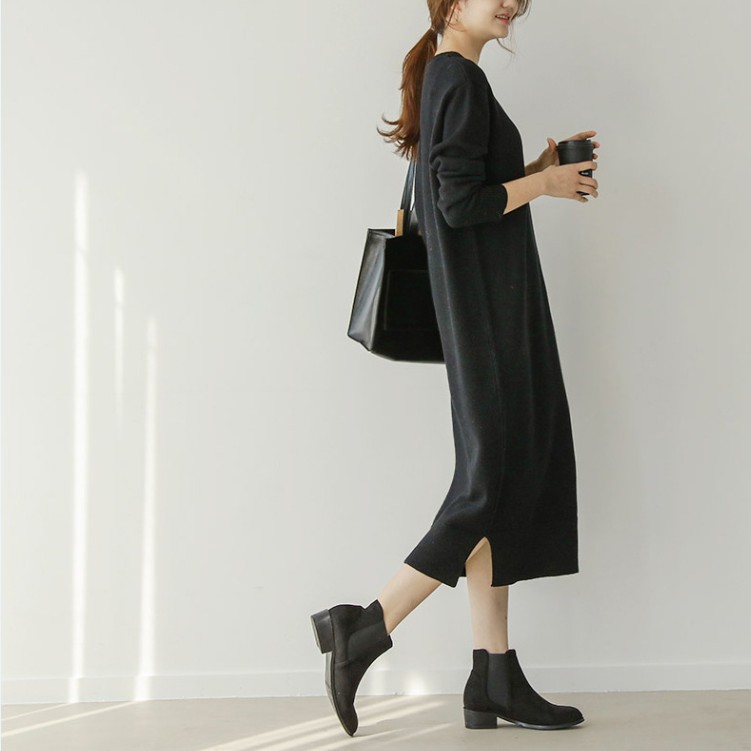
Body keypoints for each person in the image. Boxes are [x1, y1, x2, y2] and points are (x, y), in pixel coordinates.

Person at [311, 0, 600, 737]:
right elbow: (460, 203)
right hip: (490, 319)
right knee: (485, 490)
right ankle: (362, 628)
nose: (509, 4)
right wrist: (546, 187)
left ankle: (492, 676)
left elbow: (462, 193)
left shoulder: (448, 75)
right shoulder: (457, 77)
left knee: (497, 490)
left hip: (486, 316)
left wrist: (532, 170)